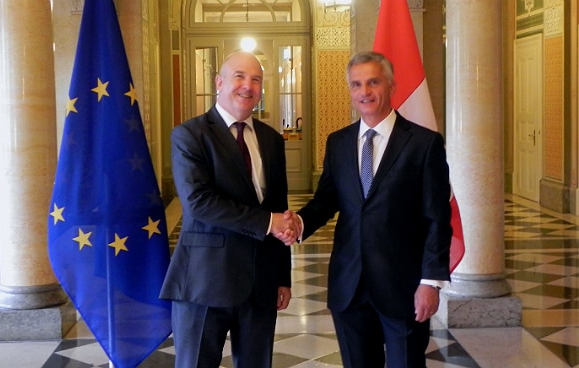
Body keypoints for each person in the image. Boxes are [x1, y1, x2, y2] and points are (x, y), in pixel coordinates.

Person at [290, 51, 452, 367]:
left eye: (373, 82)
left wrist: (430, 282)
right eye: (356, 84)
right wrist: (297, 222)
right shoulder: (338, 142)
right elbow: (326, 201)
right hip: (349, 286)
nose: (364, 92)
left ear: (391, 85)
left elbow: (437, 217)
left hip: (403, 286)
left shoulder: (423, 143)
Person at [160, 51, 298, 368]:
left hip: (260, 283)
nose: (247, 86)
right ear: (219, 82)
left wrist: (282, 276)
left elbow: (279, 207)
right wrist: (268, 222)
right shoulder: (190, 135)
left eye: (256, 79)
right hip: (205, 281)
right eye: (239, 76)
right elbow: (199, 203)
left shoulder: (272, 140)